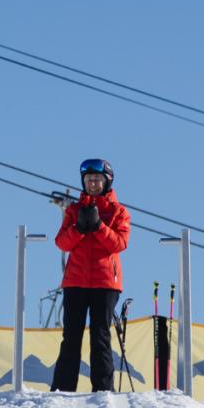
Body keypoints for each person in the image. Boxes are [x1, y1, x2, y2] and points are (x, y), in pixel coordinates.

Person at [51, 158, 132, 393]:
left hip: (106, 283)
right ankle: (63, 389)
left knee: (100, 337)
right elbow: (62, 243)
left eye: (97, 180)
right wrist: (78, 228)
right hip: (75, 281)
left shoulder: (118, 211)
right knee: (71, 337)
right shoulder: (74, 210)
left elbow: (120, 243)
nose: (93, 184)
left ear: (107, 181)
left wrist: (98, 227)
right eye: (89, 180)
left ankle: (103, 390)